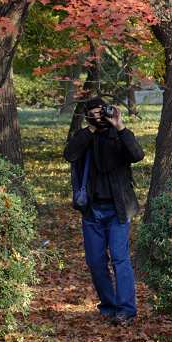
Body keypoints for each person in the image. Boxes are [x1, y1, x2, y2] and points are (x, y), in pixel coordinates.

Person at [64, 97, 145, 326]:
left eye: (103, 112)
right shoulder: (84, 137)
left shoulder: (118, 135)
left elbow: (137, 155)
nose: (100, 116)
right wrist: (90, 128)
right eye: (95, 113)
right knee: (95, 261)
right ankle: (108, 307)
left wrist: (119, 125)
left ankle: (126, 310)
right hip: (92, 211)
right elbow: (70, 154)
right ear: (88, 115)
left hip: (118, 209)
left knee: (120, 259)